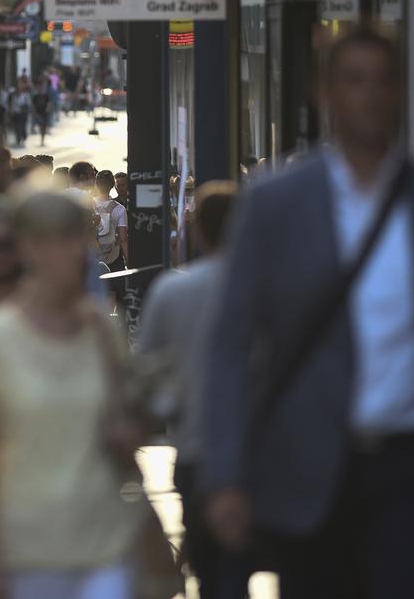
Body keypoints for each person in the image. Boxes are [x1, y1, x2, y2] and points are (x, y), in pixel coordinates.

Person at [203, 28, 414, 599]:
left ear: (400, 91)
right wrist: (226, 476)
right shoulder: (276, 205)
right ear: (325, 95)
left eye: (382, 81)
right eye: (353, 81)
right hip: (310, 469)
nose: (369, 95)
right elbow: (231, 346)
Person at [0, 190, 145, 599]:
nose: (66, 252)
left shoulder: (102, 333)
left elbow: (122, 426)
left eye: (73, 238)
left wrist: (130, 430)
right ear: (26, 248)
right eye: (49, 239)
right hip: (26, 552)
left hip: (104, 543)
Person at [137, 181, 243, 599]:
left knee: (212, 570)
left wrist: (165, 409)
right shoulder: (270, 287)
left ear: (197, 231)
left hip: (198, 448)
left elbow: (147, 372)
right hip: (262, 452)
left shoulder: (172, 290)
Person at [93, 169, 129, 275]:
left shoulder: (88, 204)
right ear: (113, 185)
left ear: (96, 184)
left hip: (93, 259)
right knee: (117, 288)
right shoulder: (120, 209)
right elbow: (123, 240)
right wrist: (129, 261)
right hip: (114, 258)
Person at [8, 83, 31, 148]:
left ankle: (23, 138)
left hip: (23, 114)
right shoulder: (13, 96)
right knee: (16, 127)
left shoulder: (25, 96)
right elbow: (11, 104)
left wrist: (25, 110)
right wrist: (10, 112)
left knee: (22, 127)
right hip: (15, 113)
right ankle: (18, 139)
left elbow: (28, 105)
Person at [31, 79, 52, 147]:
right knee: (41, 126)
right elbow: (33, 105)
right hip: (38, 113)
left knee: (44, 127)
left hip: (45, 113)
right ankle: (41, 138)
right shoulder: (36, 96)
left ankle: (42, 140)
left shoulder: (46, 95)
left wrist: (47, 109)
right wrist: (34, 112)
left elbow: (49, 103)